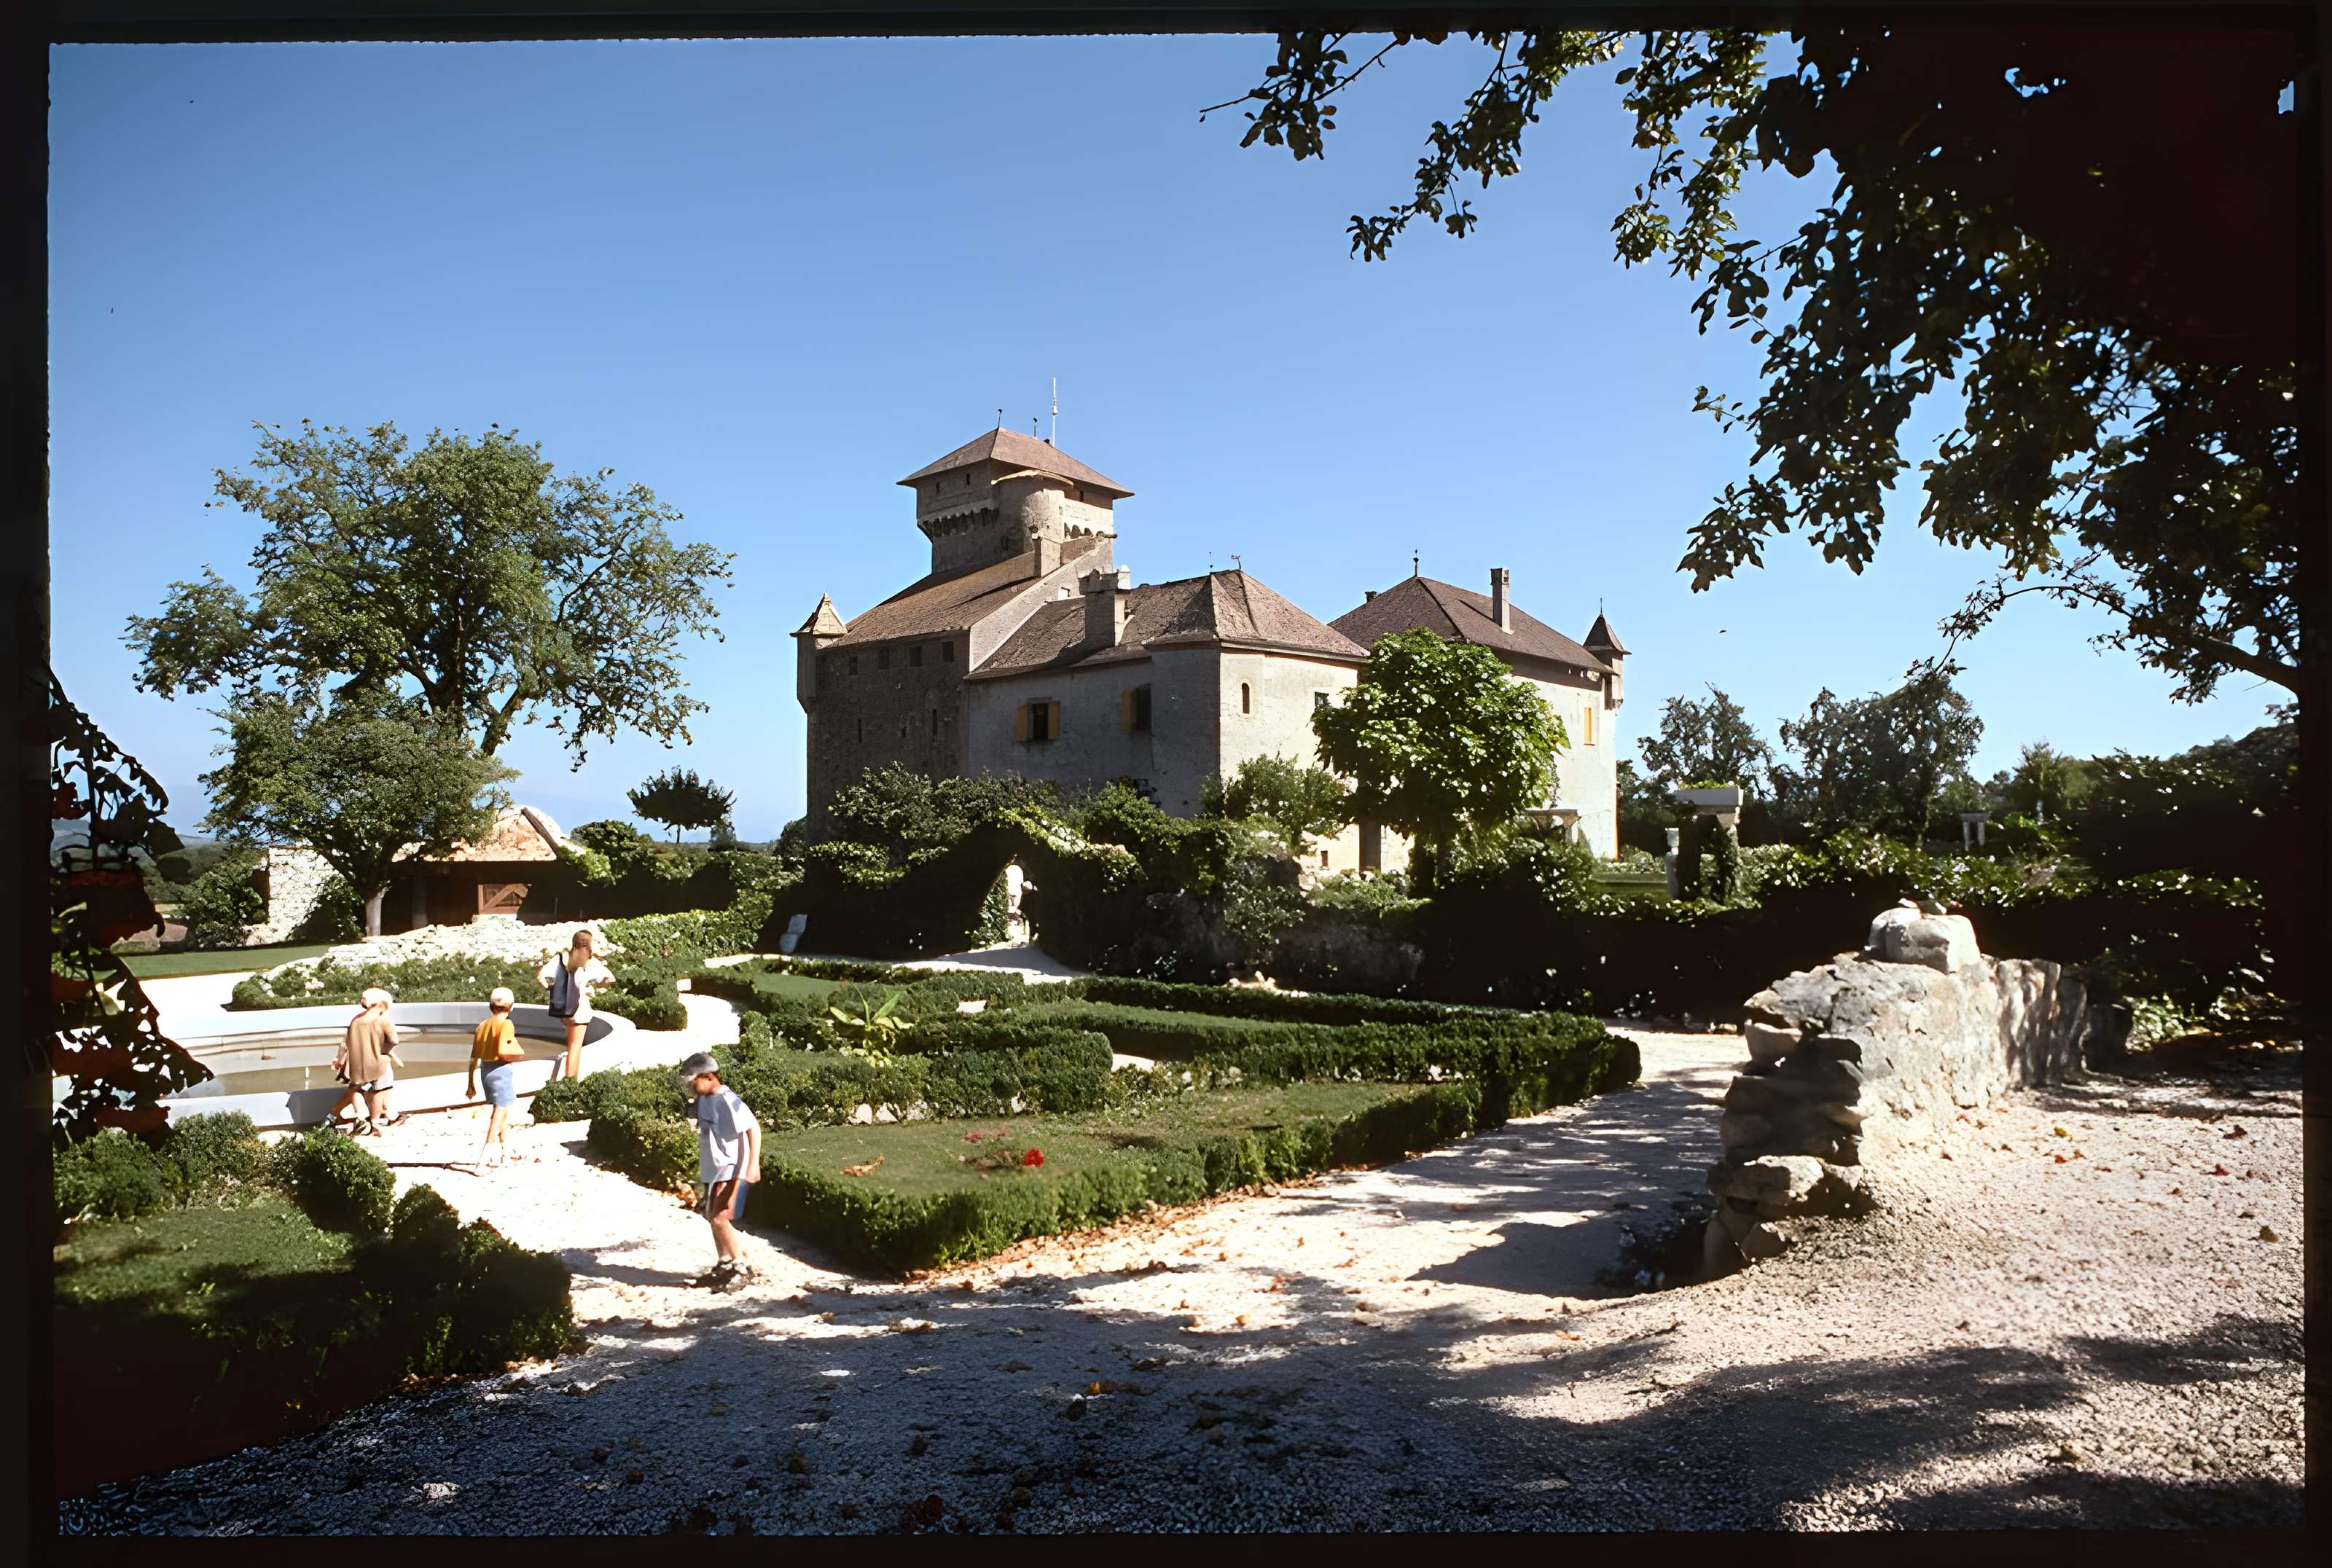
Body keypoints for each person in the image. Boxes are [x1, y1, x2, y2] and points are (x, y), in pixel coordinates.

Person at [678, 1051, 759, 1292]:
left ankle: (741, 1266)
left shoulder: (728, 1100)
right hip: (715, 1169)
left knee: (719, 1218)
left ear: (708, 1077)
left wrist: (752, 1165)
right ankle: (725, 1263)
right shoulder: (706, 1100)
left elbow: (753, 1128)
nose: (692, 1089)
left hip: (731, 1168)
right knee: (711, 1214)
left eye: (694, 1083)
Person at [538, 928, 614, 1083]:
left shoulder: (562, 958)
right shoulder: (590, 961)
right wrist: (596, 985)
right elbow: (610, 979)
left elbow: (540, 977)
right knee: (575, 1048)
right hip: (581, 1007)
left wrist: (552, 989)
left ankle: (572, 1081)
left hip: (565, 1007)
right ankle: (571, 1082)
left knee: (572, 1045)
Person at [466, 986, 527, 1169]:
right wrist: (519, 1054)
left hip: (485, 1071)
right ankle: (486, 1152)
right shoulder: (506, 1024)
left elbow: (473, 1057)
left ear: (491, 1006)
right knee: (501, 1109)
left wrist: (470, 1083)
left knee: (501, 1109)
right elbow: (503, 1051)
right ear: (511, 1007)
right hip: (500, 1070)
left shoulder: (482, 1026)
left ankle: (505, 1148)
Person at [332, 987, 403, 1136]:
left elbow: (346, 1042)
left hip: (358, 1062)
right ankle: (375, 1123)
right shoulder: (382, 1019)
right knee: (379, 1091)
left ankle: (357, 1117)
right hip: (377, 1061)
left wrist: (339, 1059)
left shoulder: (357, 1020)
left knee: (357, 1090)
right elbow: (394, 1040)